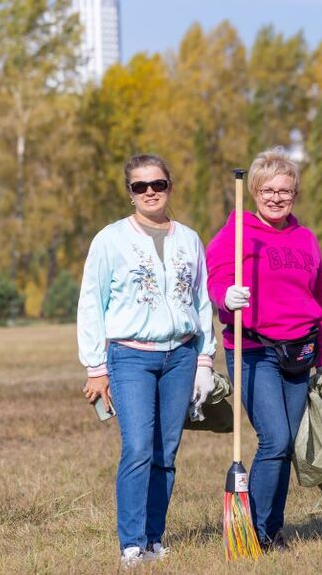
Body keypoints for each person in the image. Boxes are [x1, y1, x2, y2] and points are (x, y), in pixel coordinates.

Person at [78, 154, 216, 567]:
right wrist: (95, 367)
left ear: (169, 186)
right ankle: (132, 544)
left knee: (166, 451)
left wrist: (205, 360)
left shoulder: (189, 239)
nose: (150, 192)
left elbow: (201, 300)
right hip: (130, 356)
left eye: (157, 184)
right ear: (130, 193)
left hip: (181, 355)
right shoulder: (110, 239)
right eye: (140, 187)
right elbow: (91, 302)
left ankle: (155, 539)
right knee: (138, 447)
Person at [206, 147, 322, 551]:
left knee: (286, 446)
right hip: (254, 349)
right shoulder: (237, 232)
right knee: (275, 439)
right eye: (268, 190)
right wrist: (227, 296)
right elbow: (214, 278)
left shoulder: (305, 238)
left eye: (286, 191)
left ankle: (272, 529)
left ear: (295, 194)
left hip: (299, 354)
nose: (277, 197)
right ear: (255, 192)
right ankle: (255, 531)